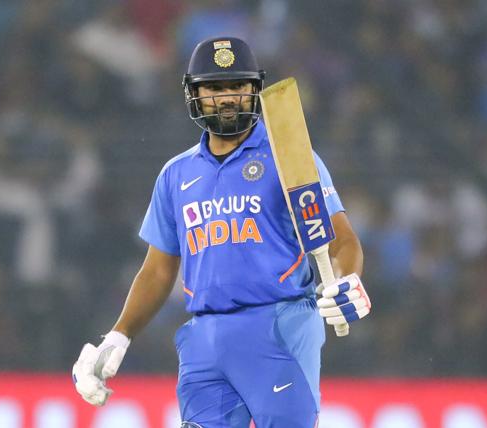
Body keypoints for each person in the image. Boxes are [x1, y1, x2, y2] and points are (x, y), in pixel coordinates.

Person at [72, 36, 371, 428]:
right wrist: (119, 334)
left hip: (279, 326)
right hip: (204, 339)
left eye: (237, 86)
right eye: (214, 88)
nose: (227, 97)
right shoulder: (175, 175)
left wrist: (347, 280)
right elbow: (158, 270)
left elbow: (340, 238)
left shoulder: (290, 158)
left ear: (254, 91)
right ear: (194, 94)